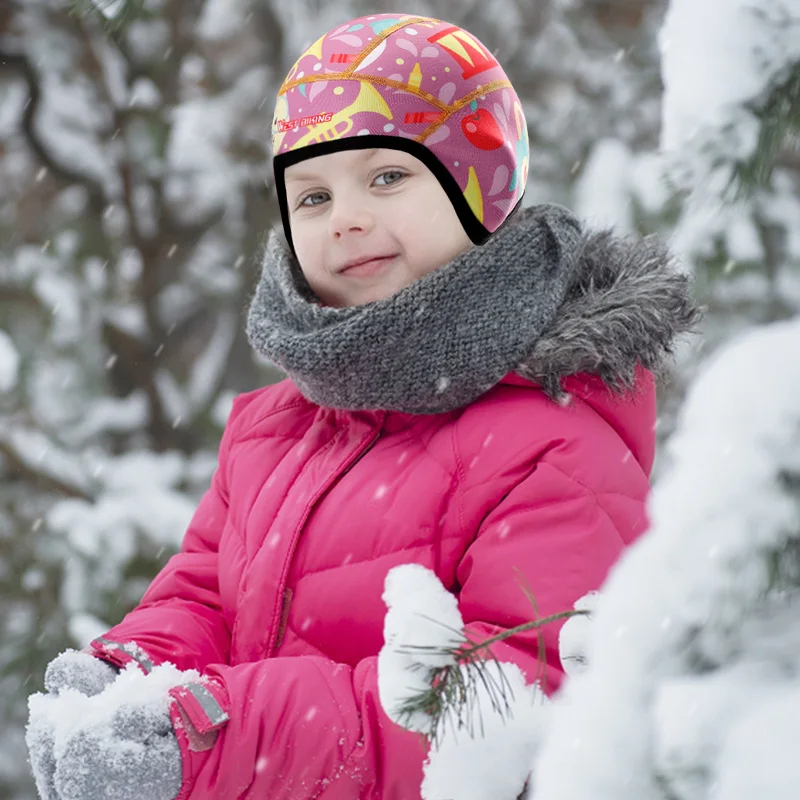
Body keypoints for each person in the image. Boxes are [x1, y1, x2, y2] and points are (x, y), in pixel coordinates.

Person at [26, 12, 700, 800]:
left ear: (480, 186)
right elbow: (206, 593)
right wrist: (130, 671)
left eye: (386, 177)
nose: (343, 217)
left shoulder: (552, 432)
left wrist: (214, 734)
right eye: (310, 197)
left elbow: (507, 705)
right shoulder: (277, 427)